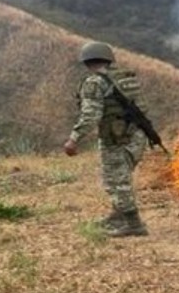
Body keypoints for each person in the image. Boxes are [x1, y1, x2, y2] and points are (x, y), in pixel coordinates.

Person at [63, 41, 150, 237]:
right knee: (121, 177)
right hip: (137, 136)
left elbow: (91, 115)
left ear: (86, 61)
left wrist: (74, 139)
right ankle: (118, 215)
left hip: (116, 139)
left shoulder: (94, 83)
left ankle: (133, 224)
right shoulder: (125, 77)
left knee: (116, 182)